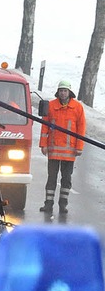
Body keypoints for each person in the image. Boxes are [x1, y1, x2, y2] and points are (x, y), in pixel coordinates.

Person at [39, 80, 86, 214]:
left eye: (65, 91)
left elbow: (81, 128)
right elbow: (44, 126)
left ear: (69, 92)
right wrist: (43, 144)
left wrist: (79, 147)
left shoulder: (77, 107)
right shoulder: (51, 106)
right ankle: (48, 204)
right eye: (61, 91)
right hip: (53, 150)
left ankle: (63, 204)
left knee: (66, 179)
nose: (63, 93)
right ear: (58, 92)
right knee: (51, 178)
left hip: (70, 152)